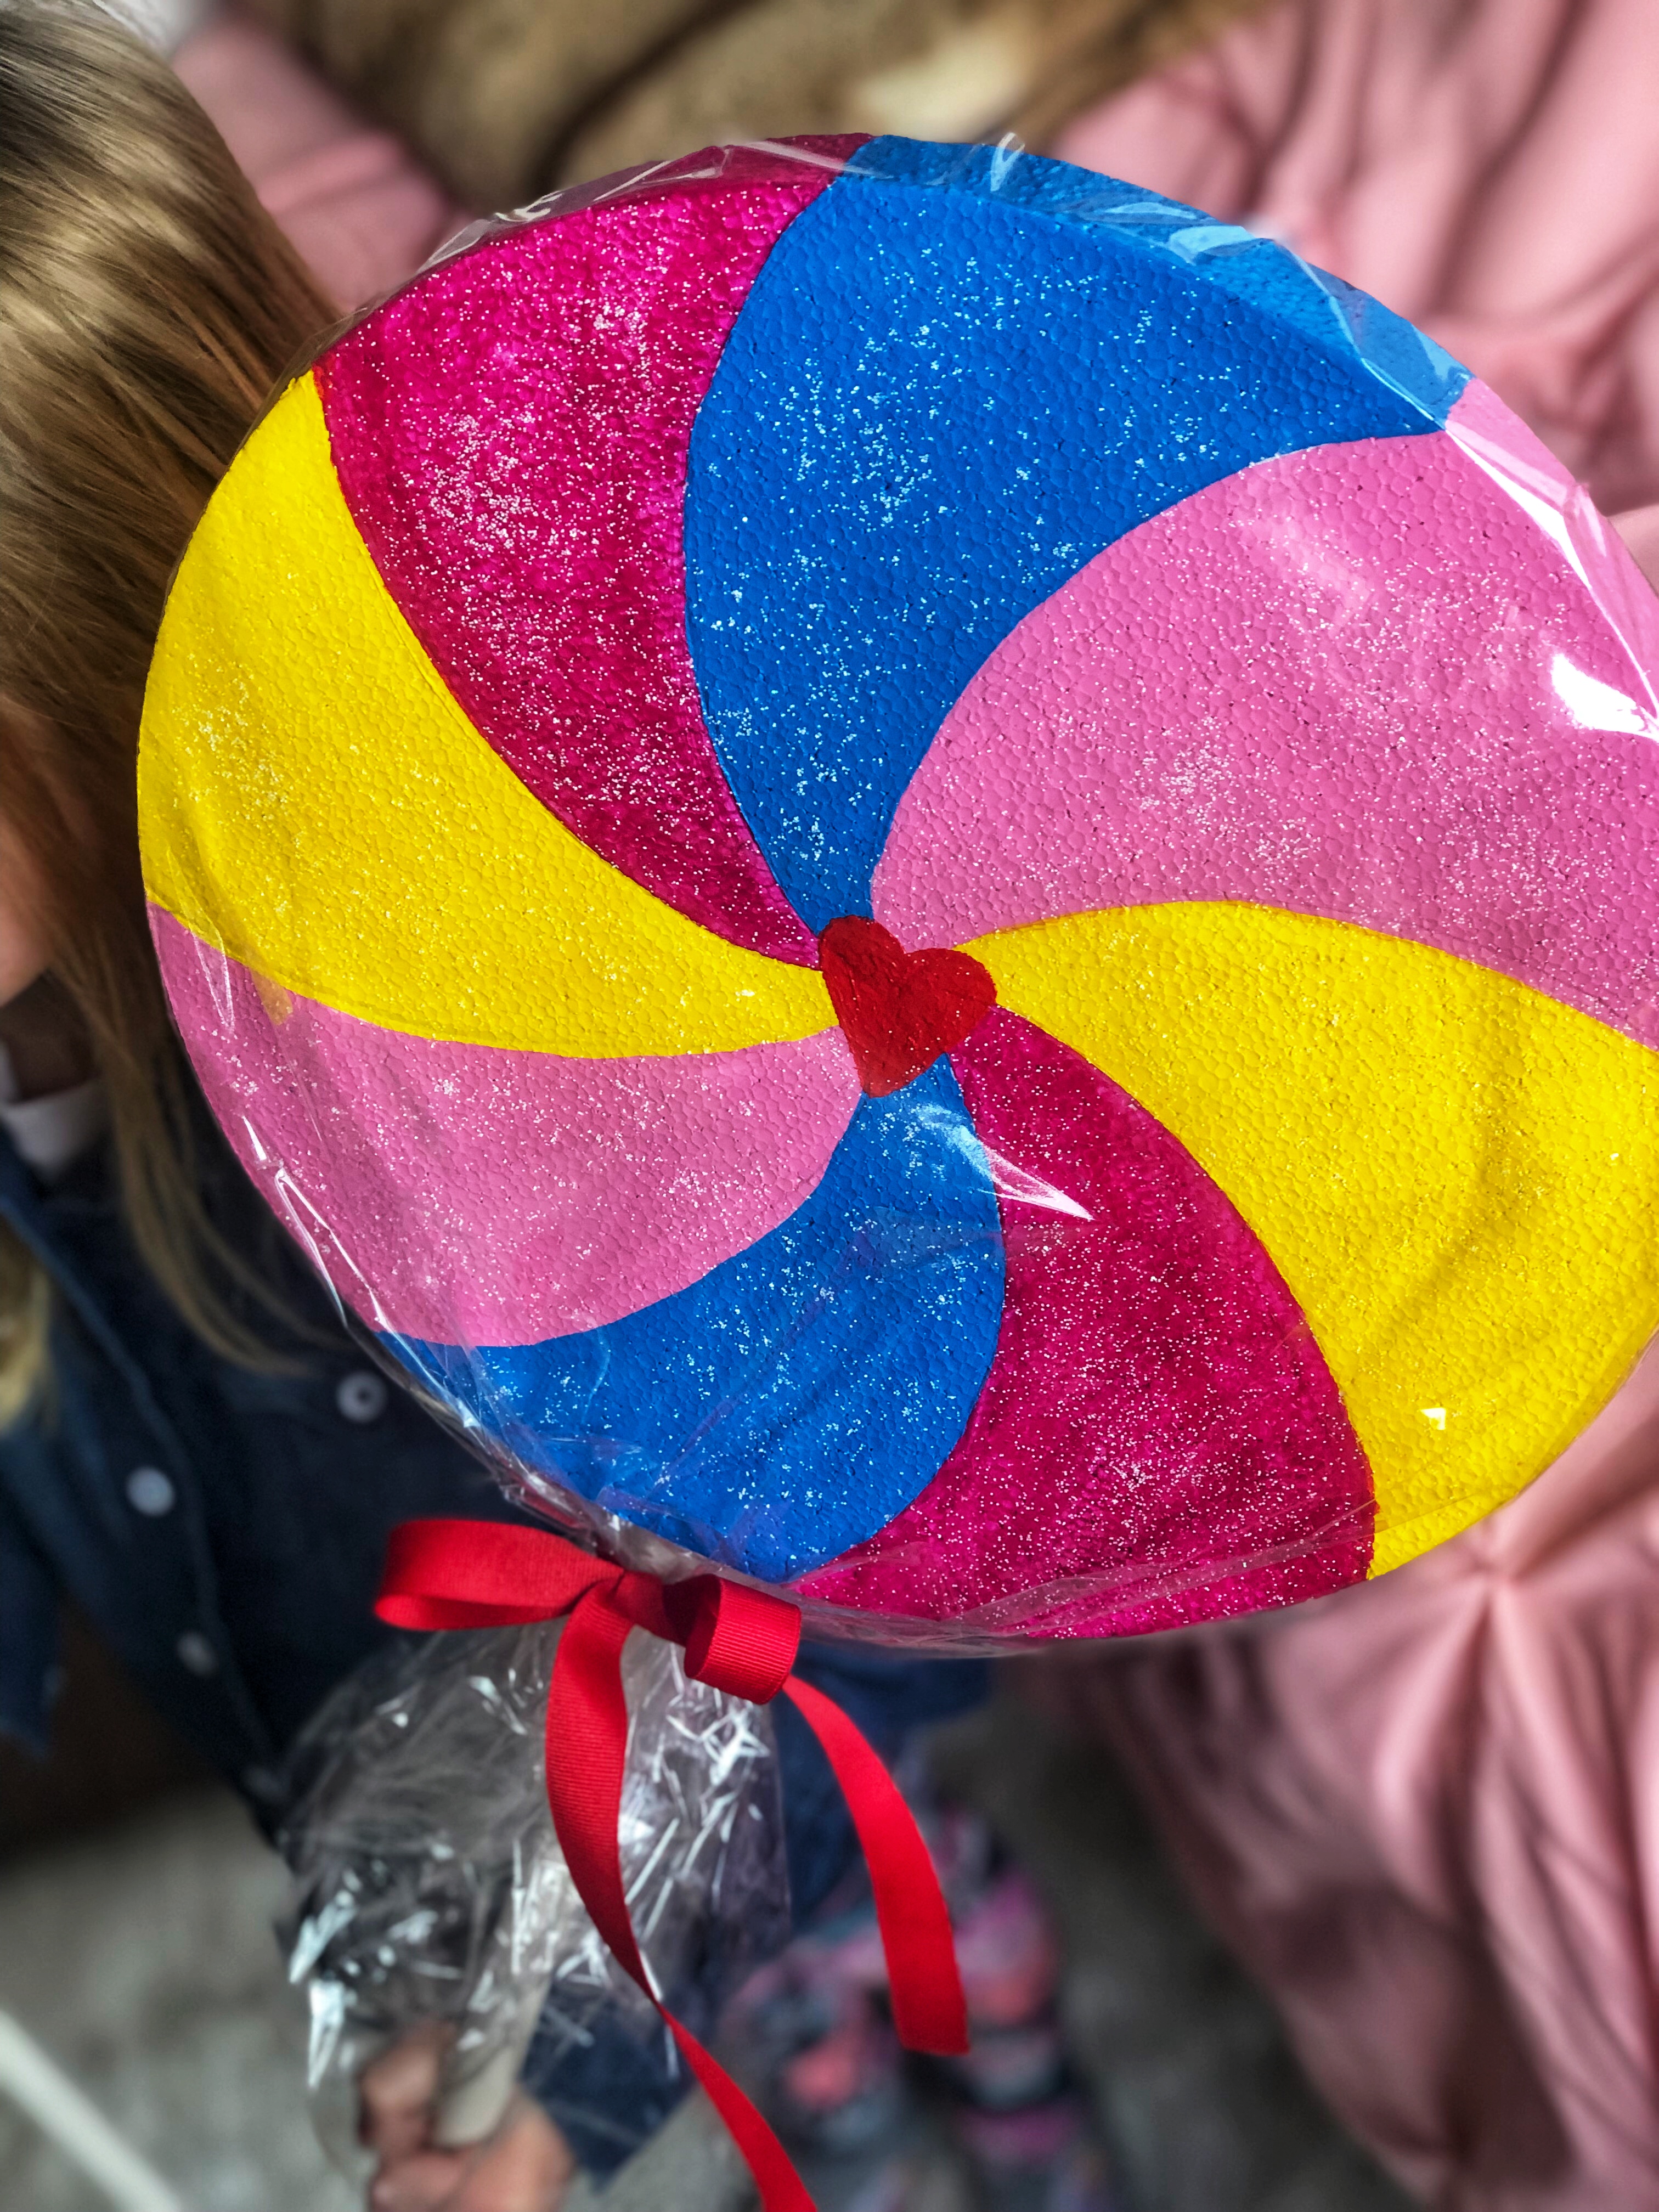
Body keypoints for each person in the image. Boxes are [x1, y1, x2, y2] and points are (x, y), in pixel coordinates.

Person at [0, 12, 985, 2210]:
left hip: (725, 1849)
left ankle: (1005, 2082)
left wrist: (585, 2085)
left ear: (100, 621)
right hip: (389, 1852)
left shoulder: (496, 1086)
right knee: (826, 2116)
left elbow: (828, 1612)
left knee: (892, 2017)